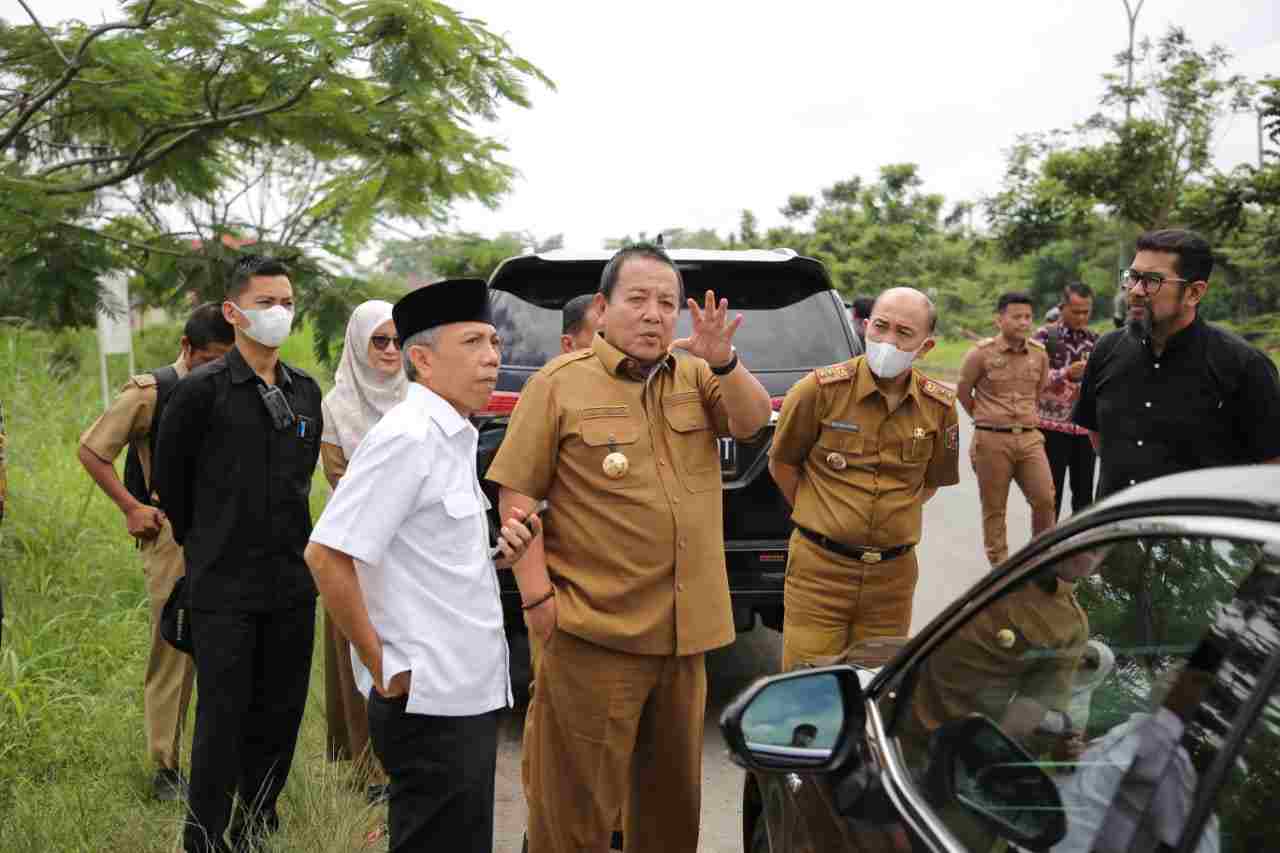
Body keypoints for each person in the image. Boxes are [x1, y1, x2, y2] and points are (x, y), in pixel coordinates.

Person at [487, 243, 772, 853]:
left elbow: (750, 424)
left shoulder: (697, 375)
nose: (653, 314)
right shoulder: (558, 385)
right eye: (637, 299)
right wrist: (538, 602)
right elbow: (518, 494)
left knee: (669, 815)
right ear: (603, 306)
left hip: (683, 639)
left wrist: (726, 362)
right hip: (596, 635)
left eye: (667, 303)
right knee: (575, 814)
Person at [306, 279, 539, 853]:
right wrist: (381, 666)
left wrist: (497, 558)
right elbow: (327, 554)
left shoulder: (452, 434)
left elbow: (423, 556)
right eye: (473, 343)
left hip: (467, 691)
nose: (492, 357)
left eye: (493, 342)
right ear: (422, 359)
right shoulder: (407, 437)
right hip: (428, 701)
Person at [153, 255, 324, 853]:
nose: (279, 313)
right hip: (223, 587)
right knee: (221, 723)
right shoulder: (202, 391)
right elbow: (172, 486)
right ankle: (203, 839)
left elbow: (302, 480)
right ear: (233, 312)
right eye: (265, 303)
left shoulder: (305, 390)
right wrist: (209, 545)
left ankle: (254, 830)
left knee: (278, 719)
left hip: (291, 587)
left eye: (287, 302)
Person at [76, 303, 234, 801]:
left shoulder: (240, 382)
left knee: (230, 646)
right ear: (187, 348)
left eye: (224, 359)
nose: (216, 368)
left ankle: (223, 759)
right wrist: (130, 508)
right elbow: (92, 449)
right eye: (209, 358)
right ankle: (166, 767)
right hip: (172, 534)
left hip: (228, 531)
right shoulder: (153, 391)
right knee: (174, 647)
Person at [769, 287, 960, 671]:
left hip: (892, 579)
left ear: (925, 347)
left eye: (904, 334)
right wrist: (825, 516)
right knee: (809, 687)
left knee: (875, 685)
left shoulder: (939, 406)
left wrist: (884, 520)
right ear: (865, 326)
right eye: (880, 327)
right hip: (820, 571)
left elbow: (930, 482)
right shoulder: (819, 391)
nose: (888, 341)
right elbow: (783, 465)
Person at [1073, 229, 1280, 500]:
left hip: (1201, 536)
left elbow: (1271, 467)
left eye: (1152, 281)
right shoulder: (1106, 350)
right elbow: (1099, 438)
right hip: (1117, 533)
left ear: (1194, 293)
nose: (1134, 291)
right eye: (1132, 277)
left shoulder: (1243, 365)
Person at [316, 299, 406, 803]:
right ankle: (370, 771)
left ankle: (402, 762)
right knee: (359, 657)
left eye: (398, 341)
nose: (391, 350)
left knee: (402, 655)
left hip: (409, 554)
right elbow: (340, 480)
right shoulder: (336, 405)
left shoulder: (417, 397)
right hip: (351, 552)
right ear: (358, 343)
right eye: (380, 341)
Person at [958, 291, 1055, 568]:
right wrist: (985, 418)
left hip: (1029, 438)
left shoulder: (1039, 354)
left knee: (1045, 498)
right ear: (999, 319)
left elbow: (1038, 392)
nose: (1023, 322)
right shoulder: (981, 354)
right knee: (994, 507)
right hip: (992, 440)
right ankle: (999, 565)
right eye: (1016, 317)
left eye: (1027, 317)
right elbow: (964, 391)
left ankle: (1041, 558)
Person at [1034, 283, 1099, 520]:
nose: (1082, 317)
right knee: (1050, 494)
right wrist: (1065, 374)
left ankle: (1083, 549)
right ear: (1062, 308)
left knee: (1084, 497)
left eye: (1086, 311)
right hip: (1050, 430)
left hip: (1085, 431)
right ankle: (1046, 548)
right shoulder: (1043, 337)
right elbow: (1030, 377)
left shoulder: (1097, 340)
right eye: (1076, 311)